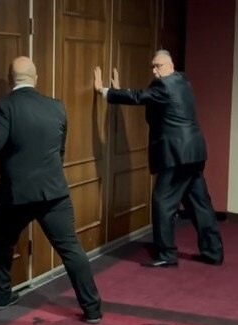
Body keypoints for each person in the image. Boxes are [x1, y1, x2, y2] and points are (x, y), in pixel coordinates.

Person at [0, 56, 102, 323]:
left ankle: (2, 297)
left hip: (16, 195)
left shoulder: (4, 107)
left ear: (10, 80)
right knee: (71, 250)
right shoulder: (56, 107)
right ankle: (92, 310)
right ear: (36, 77)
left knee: (2, 243)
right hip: (53, 193)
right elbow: (60, 149)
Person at [94, 50, 224, 268]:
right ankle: (213, 251)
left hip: (176, 155)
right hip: (194, 153)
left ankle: (166, 254)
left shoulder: (163, 86)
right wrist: (120, 91)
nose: (155, 71)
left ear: (170, 65)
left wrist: (104, 91)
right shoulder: (183, 81)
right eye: (153, 67)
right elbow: (152, 103)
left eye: (159, 66)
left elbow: (138, 97)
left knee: (163, 203)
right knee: (199, 204)